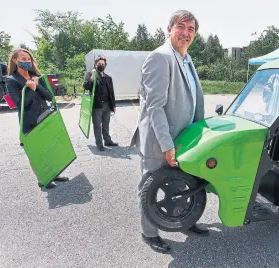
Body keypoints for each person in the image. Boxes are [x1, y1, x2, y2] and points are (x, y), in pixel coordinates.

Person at [130, 10, 208, 254]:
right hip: (159, 141)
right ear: (169, 29)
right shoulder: (161, 57)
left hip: (183, 139)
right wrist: (166, 145)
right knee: (150, 188)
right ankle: (149, 233)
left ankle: (183, 220)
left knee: (181, 184)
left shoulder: (185, 58)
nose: (186, 33)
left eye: (191, 29)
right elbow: (155, 106)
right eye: (181, 27)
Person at [5, 48, 69, 188]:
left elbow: (49, 96)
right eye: (23, 59)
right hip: (29, 121)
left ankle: (55, 173)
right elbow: (19, 104)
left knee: (50, 147)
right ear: (15, 61)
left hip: (45, 116)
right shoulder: (11, 80)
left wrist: (37, 86)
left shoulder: (37, 76)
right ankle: (42, 179)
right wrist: (30, 90)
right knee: (36, 151)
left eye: (28, 59)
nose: (27, 62)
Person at [83, 56, 118, 151]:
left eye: (103, 64)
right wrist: (92, 77)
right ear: (95, 65)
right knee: (97, 125)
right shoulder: (90, 74)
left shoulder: (108, 78)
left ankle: (108, 141)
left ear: (105, 65)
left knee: (106, 124)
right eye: (99, 64)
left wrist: (113, 105)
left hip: (107, 105)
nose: (101, 65)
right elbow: (86, 86)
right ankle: (99, 143)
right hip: (96, 106)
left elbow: (111, 92)